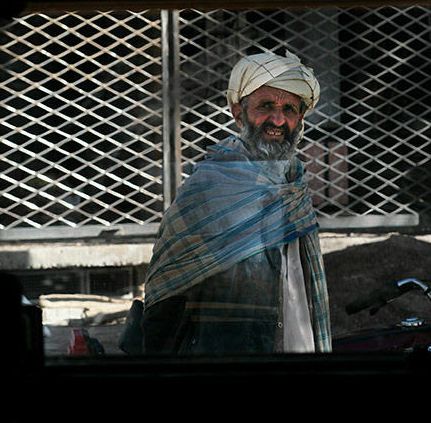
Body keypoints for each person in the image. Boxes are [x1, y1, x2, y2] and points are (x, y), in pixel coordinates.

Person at [139, 51, 331, 355]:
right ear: (238, 113)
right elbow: (166, 291)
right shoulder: (208, 189)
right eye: (266, 106)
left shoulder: (295, 186)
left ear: (300, 119)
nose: (278, 120)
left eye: (290, 110)